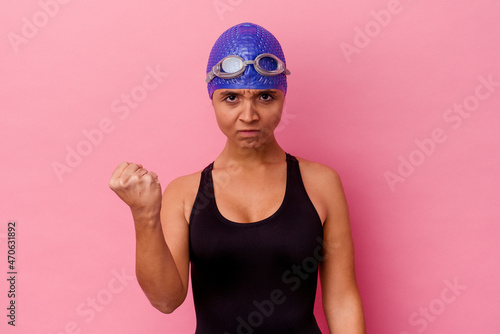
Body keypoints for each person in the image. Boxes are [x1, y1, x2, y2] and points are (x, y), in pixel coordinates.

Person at [109, 22, 365, 333]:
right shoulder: (185, 193)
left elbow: (341, 299)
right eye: (231, 98)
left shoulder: (321, 184)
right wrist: (144, 215)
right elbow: (166, 300)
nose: (248, 115)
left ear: (283, 96)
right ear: (213, 100)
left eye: (265, 97)